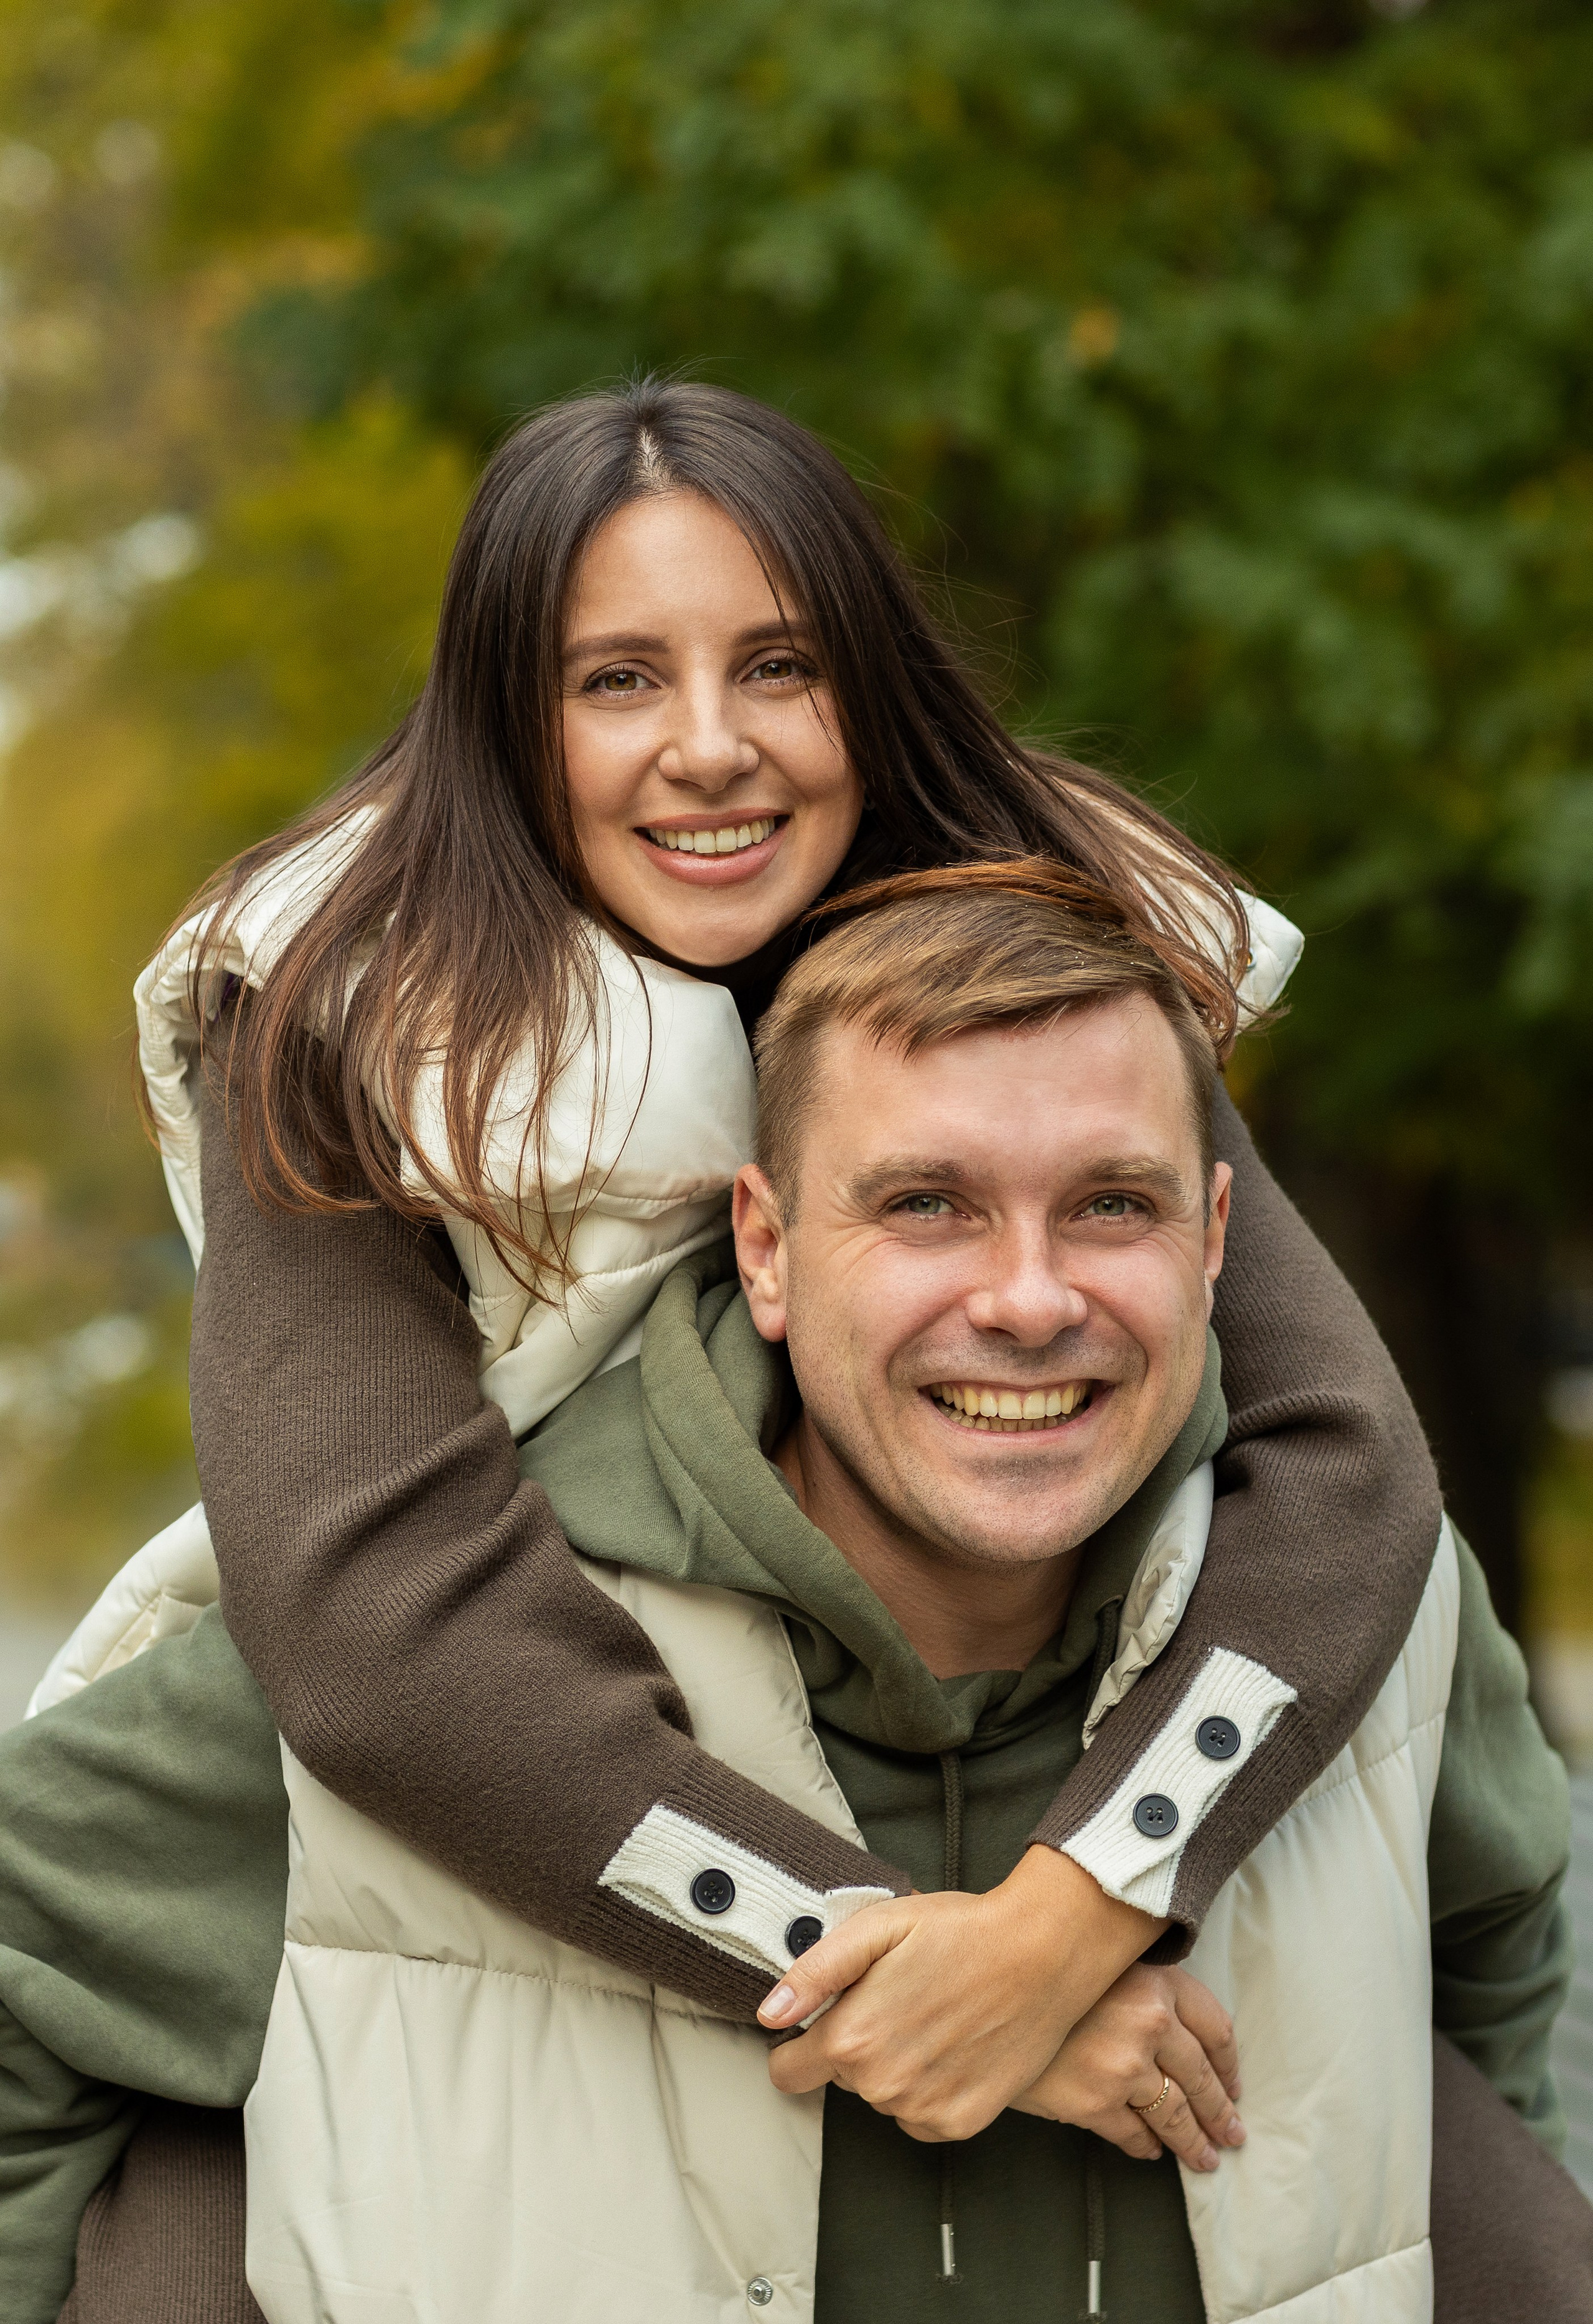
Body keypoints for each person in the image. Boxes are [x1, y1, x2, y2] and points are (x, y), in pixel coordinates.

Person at [44, 380, 1441, 2086]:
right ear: (509, 715)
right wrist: (883, 1971)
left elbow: (1347, 1458)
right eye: (618, 678)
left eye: (780, 665)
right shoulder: (344, 1018)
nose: (712, 745)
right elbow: (377, 1631)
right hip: (370, 1830)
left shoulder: (1036, 957)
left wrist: (1074, 1911)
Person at [0, 866, 1577, 2323]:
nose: (1028, 1300)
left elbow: (1512, 1967)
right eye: (923, 1206)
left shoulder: (1386, 1619)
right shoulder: (409, 1677)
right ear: (762, 1244)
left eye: (1110, 1204)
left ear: (1216, 1238)